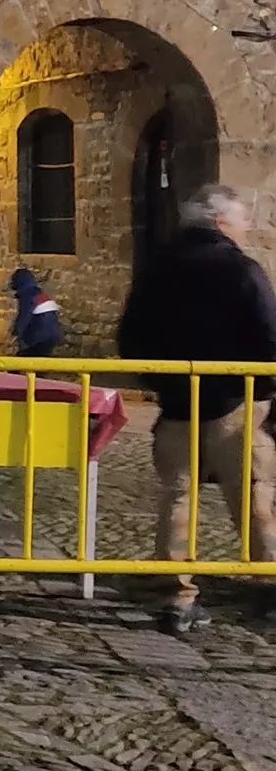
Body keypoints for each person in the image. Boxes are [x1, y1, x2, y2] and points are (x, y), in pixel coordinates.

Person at [116, 183, 276, 635]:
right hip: (235, 402)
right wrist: (265, 390)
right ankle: (270, 581)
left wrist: (160, 386)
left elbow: (131, 337)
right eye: (244, 218)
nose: (247, 227)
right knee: (252, 493)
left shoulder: (157, 269)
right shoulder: (240, 269)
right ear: (223, 221)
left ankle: (175, 593)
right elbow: (270, 332)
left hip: (177, 403)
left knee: (177, 497)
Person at [7, 268, 63, 357]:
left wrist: (15, 334)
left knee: (21, 362)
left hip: (39, 336)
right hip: (52, 335)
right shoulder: (39, 293)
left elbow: (24, 316)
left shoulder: (27, 294)